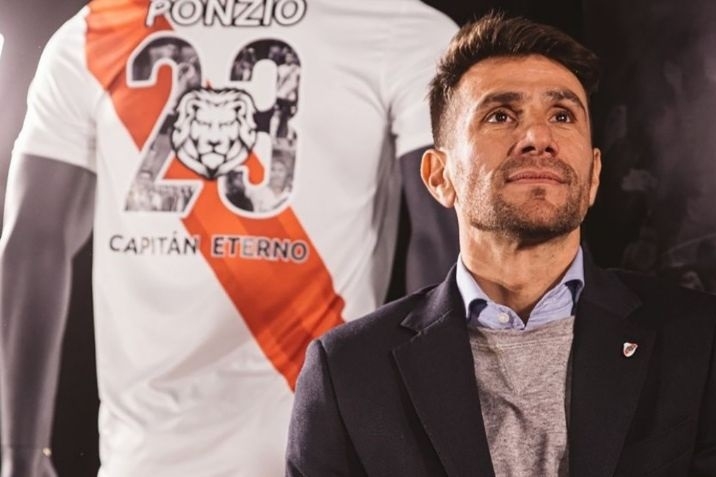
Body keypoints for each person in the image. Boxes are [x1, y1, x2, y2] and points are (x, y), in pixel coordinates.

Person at [286, 12, 716, 476]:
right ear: (439, 176)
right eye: (501, 115)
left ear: (594, 175)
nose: (538, 137)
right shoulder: (347, 372)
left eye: (563, 115)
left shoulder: (703, 343)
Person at [0, 0, 457, 475]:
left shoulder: (94, 33)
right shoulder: (398, 28)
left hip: (268, 449)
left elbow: (30, 243)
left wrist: (21, 455)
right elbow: (448, 240)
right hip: (300, 448)